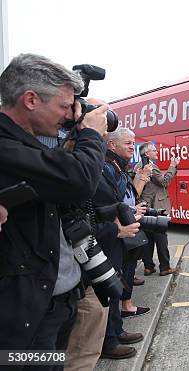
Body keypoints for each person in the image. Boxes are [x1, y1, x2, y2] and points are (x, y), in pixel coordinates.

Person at [0, 54, 108, 360]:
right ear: (31, 100)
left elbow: (63, 185)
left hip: (54, 302)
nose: (68, 115)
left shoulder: (27, 145)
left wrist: (76, 140)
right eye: (64, 106)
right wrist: (91, 133)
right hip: (27, 316)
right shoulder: (6, 146)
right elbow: (78, 181)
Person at [97, 127, 149, 359]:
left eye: (134, 143)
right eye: (127, 143)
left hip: (116, 238)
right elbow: (108, 204)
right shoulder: (107, 167)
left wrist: (130, 209)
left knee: (116, 285)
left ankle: (116, 332)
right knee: (109, 289)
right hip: (108, 238)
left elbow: (120, 202)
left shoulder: (117, 167)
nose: (132, 146)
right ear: (111, 145)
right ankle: (109, 341)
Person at [135, 141, 180, 276]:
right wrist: (173, 165)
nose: (157, 152)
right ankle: (165, 267)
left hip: (145, 206)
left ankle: (148, 267)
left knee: (148, 238)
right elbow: (164, 181)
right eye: (154, 150)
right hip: (155, 207)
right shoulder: (151, 167)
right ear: (147, 154)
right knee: (161, 237)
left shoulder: (138, 166)